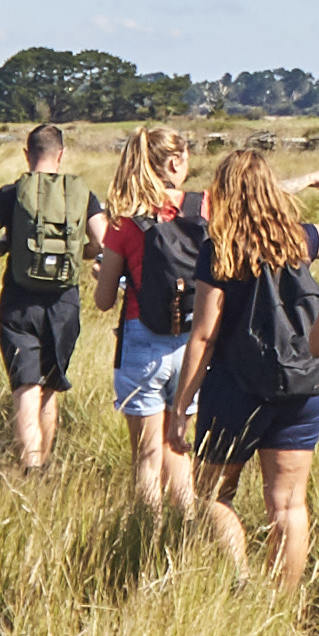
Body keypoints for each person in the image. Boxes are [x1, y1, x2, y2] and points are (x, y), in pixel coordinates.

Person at [176, 145, 319, 587]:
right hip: (302, 387)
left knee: (212, 494)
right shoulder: (300, 240)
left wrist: (181, 405)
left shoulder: (219, 250)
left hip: (236, 390)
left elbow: (204, 335)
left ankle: (240, 577)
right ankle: (279, 606)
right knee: (288, 506)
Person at [0, 118, 100, 475]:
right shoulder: (81, 193)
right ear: (60, 155)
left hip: (20, 304)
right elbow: (103, 242)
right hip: (64, 303)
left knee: (25, 388)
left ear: (27, 155)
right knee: (50, 389)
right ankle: (44, 464)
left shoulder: (10, 193)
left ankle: (31, 468)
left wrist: (8, 247)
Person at [95, 125, 216, 554]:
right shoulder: (205, 208)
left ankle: (146, 543)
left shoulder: (126, 221)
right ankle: (185, 538)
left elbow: (104, 299)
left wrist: (112, 275)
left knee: (147, 457)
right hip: (193, 343)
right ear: (175, 162)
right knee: (178, 447)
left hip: (142, 341)